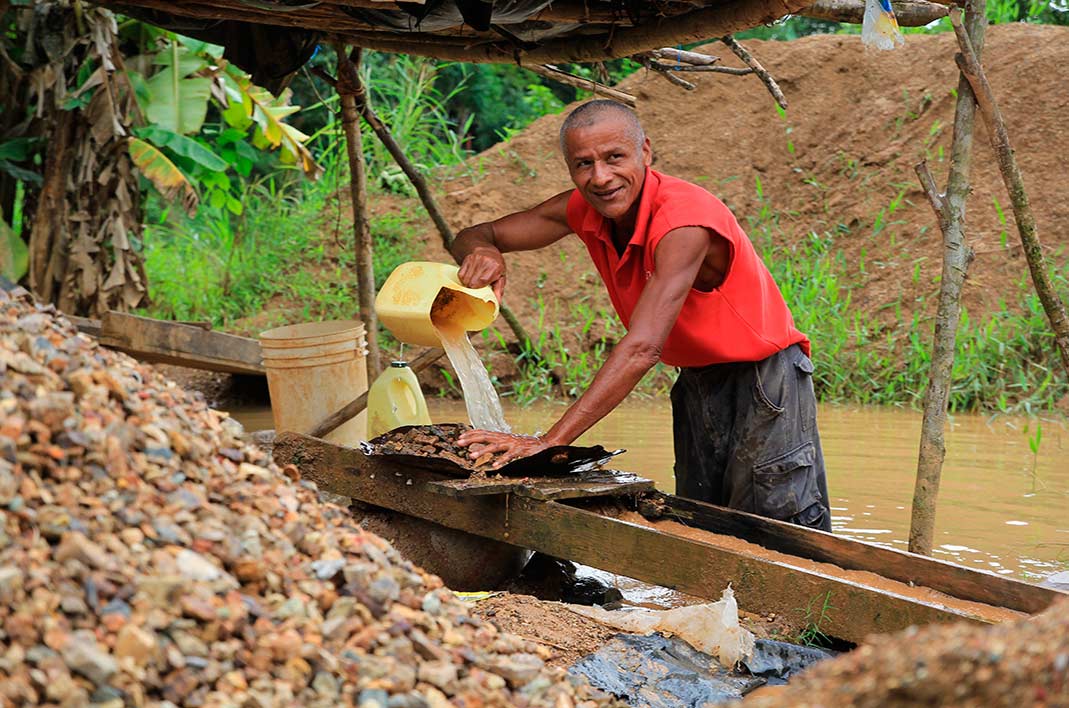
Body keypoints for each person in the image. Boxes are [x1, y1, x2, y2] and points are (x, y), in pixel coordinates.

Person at [449, 100, 831, 531]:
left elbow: (643, 347)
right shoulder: (582, 207)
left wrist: (548, 443)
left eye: (615, 158)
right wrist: (481, 251)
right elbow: (480, 233)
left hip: (766, 380)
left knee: (779, 522)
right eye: (583, 164)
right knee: (703, 523)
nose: (601, 177)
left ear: (645, 152)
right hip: (697, 381)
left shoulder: (684, 221)